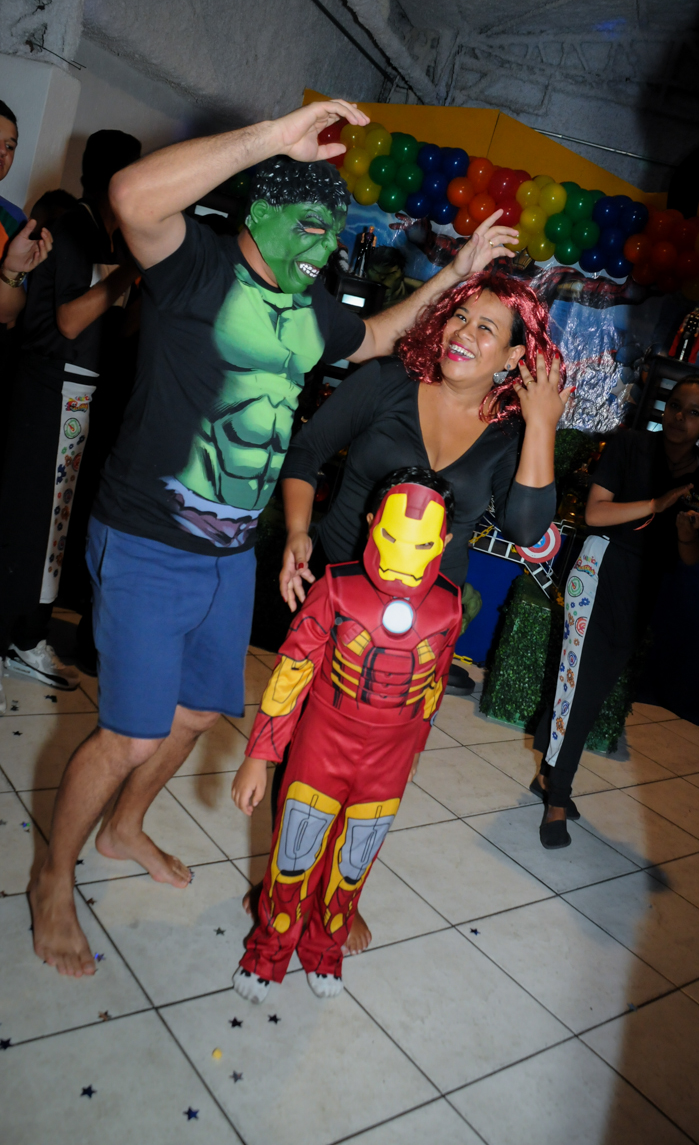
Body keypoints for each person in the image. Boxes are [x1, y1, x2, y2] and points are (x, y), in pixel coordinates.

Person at [27, 98, 519, 979]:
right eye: (308, 225)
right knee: (130, 734)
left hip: (228, 557)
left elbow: (371, 335)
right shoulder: (197, 267)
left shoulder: (311, 304)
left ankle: (124, 828)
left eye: (332, 232)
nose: (324, 247)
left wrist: (457, 272)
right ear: (258, 215)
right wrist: (271, 139)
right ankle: (50, 883)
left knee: (192, 717)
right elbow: (136, 195)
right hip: (145, 538)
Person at [273, 269, 568, 952]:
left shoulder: (505, 432)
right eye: (460, 317)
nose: (463, 333)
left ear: (514, 359)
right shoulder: (384, 383)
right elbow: (308, 451)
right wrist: (296, 531)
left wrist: (540, 426)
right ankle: (285, 884)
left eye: (485, 329)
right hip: (337, 601)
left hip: (423, 636)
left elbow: (527, 529)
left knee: (379, 771)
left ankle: (339, 895)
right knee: (301, 752)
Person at [231, 468, 461, 1003]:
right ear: (372, 524)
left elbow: (434, 686)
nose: (406, 553)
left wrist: (414, 754)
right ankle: (268, 952)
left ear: (443, 542)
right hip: (323, 743)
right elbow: (292, 670)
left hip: (390, 758)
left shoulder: (448, 606)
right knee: (294, 855)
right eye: (396, 536)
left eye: (423, 543)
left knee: (354, 863)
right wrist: (260, 755)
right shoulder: (337, 587)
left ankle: (325, 949)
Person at [533, 375, 699, 849]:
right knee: (579, 683)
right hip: (599, 570)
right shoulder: (631, 444)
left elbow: (692, 556)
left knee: (591, 690)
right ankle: (557, 794)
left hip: (645, 587)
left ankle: (550, 773)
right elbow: (594, 514)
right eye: (675, 406)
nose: (679, 417)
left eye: (693, 412)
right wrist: (659, 503)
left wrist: (683, 529)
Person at [0, 131, 142, 698]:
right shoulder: (71, 224)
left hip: (84, 393)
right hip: (49, 387)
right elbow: (68, 322)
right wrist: (128, 274)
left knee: (58, 519)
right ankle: (22, 636)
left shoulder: (107, 233)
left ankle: (26, 629)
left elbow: (117, 326)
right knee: (41, 520)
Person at [0, 100, 54, 329]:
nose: (3, 151)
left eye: (10, 146)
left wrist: (11, 270)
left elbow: (5, 316)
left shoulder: (14, 222)